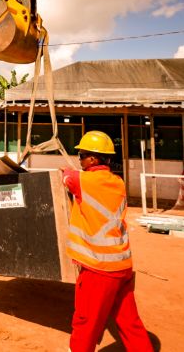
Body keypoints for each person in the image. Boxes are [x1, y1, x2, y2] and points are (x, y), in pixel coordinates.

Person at [62, 130, 153, 352]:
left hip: (98, 269)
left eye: (81, 155)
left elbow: (64, 175)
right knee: (129, 323)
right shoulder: (118, 182)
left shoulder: (83, 180)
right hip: (121, 266)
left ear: (93, 158)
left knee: (85, 322)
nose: (79, 160)